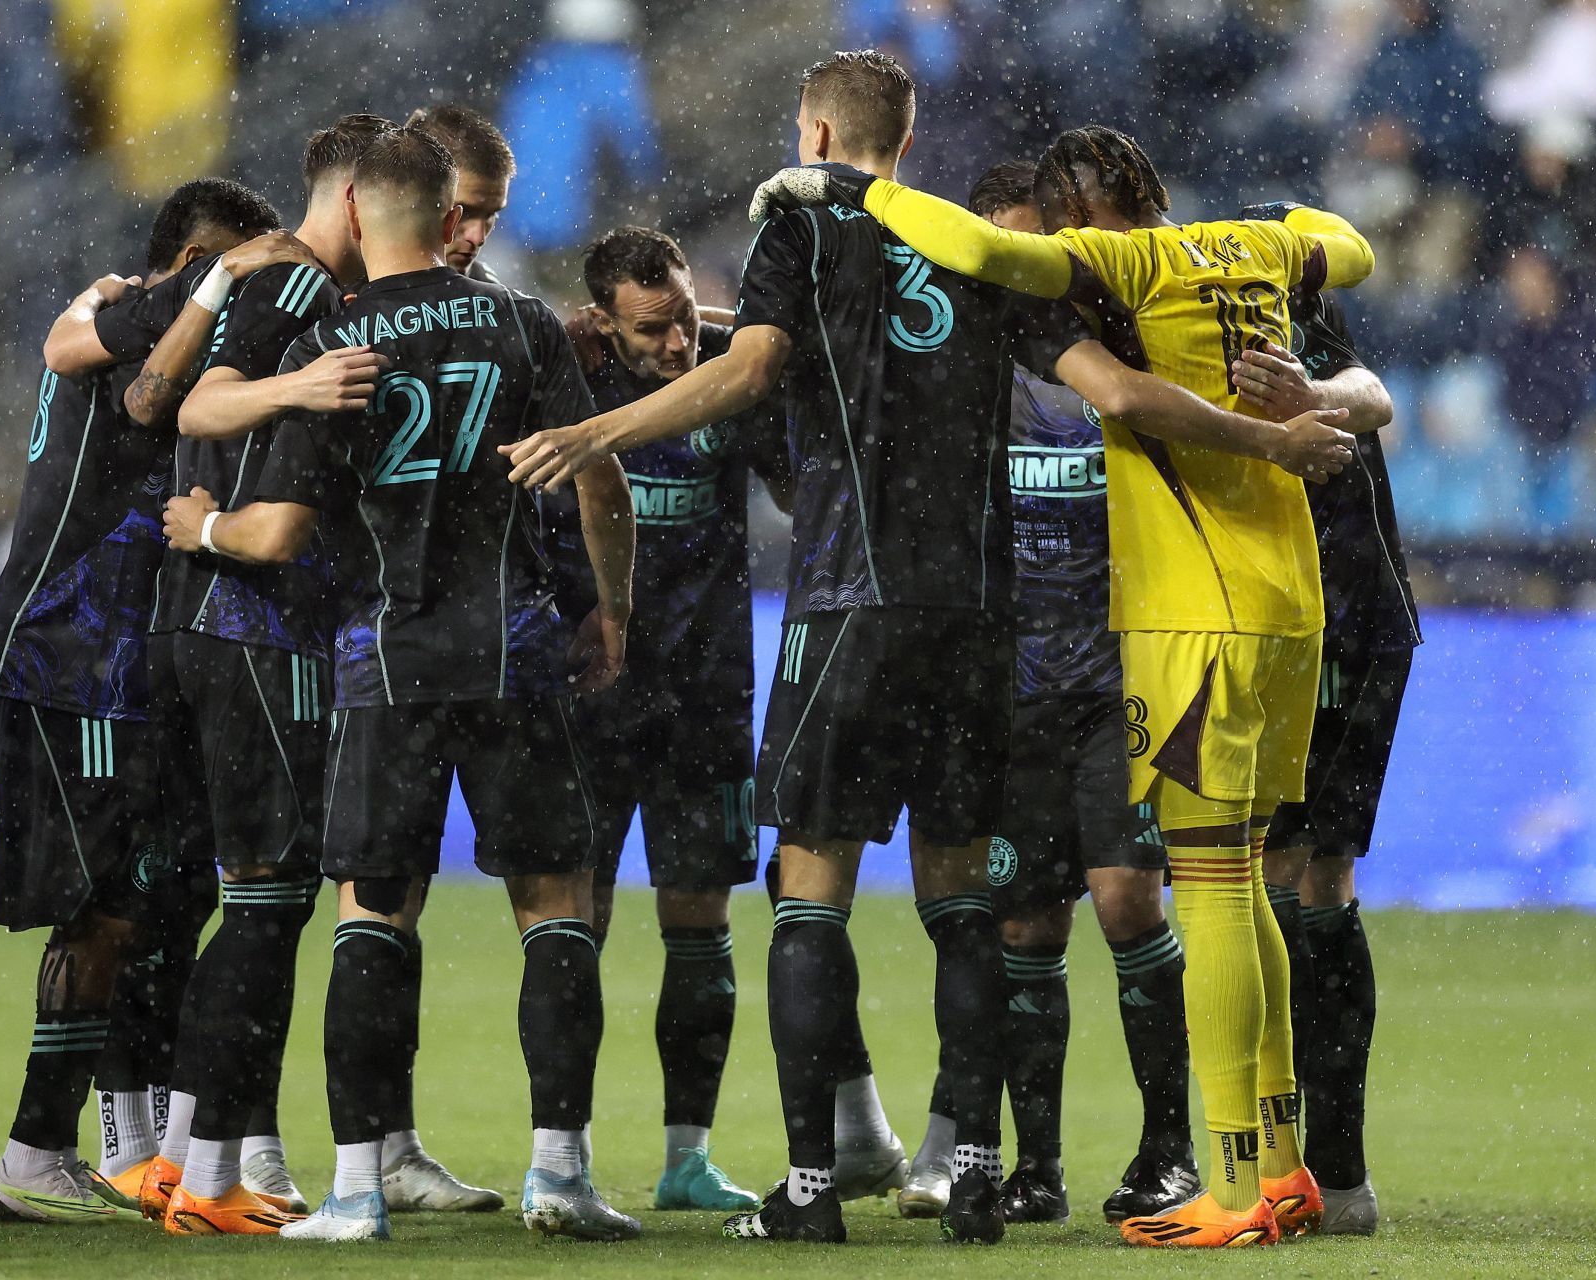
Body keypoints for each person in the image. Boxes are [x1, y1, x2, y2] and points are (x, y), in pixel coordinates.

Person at [502, 54, 1353, 1246]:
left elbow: (744, 370)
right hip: (980, 621)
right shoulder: (976, 246)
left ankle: (807, 1188)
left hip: (851, 600)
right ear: (910, 135)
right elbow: (1118, 390)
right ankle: (971, 1169)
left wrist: (596, 425)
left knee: (814, 888)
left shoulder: (795, 232)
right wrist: (1276, 438)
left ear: (812, 128)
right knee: (965, 897)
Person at [748, 123, 1374, 1247]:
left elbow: (991, 257)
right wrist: (1290, 287)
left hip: (1190, 617)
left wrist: (854, 187)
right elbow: (1352, 249)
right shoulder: (1253, 250)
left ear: (1084, 210)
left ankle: (1228, 1182)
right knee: (1248, 879)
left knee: (1215, 889)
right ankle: (1281, 1164)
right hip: (1289, 604)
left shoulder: (1125, 266)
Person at [161, 124, 640, 1244]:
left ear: (365, 217)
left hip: (390, 661)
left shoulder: (335, 343)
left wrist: (208, 522)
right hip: (517, 648)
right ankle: (561, 1174)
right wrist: (609, 607)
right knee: (555, 912)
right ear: (447, 213)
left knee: (373, 919)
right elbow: (599, 476)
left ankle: (358, 1188)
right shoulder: (524, 323)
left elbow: (275, 533)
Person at [0, 178, 297, 1223]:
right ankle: (35, 1147)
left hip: (98, 653)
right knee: (106, 903)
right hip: (72, 652)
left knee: (145, 896)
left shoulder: (116, 309)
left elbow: (71, 344)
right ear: (208, 259)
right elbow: (97, 368)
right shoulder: (161, 311)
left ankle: (123, 1142)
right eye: (243, 268)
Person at [898, 162, 1197, 1229]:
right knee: (1025, 927)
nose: (1028, 277)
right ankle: (1039, 1164)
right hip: (1010, 691)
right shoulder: (963, 378)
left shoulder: (1129, 361)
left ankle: (1171, 1150)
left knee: (1126, 901)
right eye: (1005, 256)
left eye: (1041, 254)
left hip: (1117, 680)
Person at [553, 225, 789, 1213]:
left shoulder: (727, 383)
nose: (678, 344)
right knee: (576, 919)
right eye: (653, 330)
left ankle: (687, 1156)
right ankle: (559, 1155)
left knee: (700, 918)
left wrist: (741, 337)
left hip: (706, 692)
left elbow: (797, 475)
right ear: (603, 323)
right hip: (592, 696)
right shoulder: (563, 381)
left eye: (688, 316)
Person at [1238, 200, 1420, 1237]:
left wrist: (1307, 394)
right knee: (1258, 871)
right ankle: (1272, 1159)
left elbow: (1372, 394)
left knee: (1310, 869)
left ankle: (1334, 1166)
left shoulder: (1284, 314)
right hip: (1263, 619)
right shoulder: (1199, 314)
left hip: (1347, 618)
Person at [405, 103, 515, 281]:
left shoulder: (493, 300)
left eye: (490, 215)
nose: (478, 237)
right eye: (463, 212)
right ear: (409, 196)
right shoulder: (349, 300)